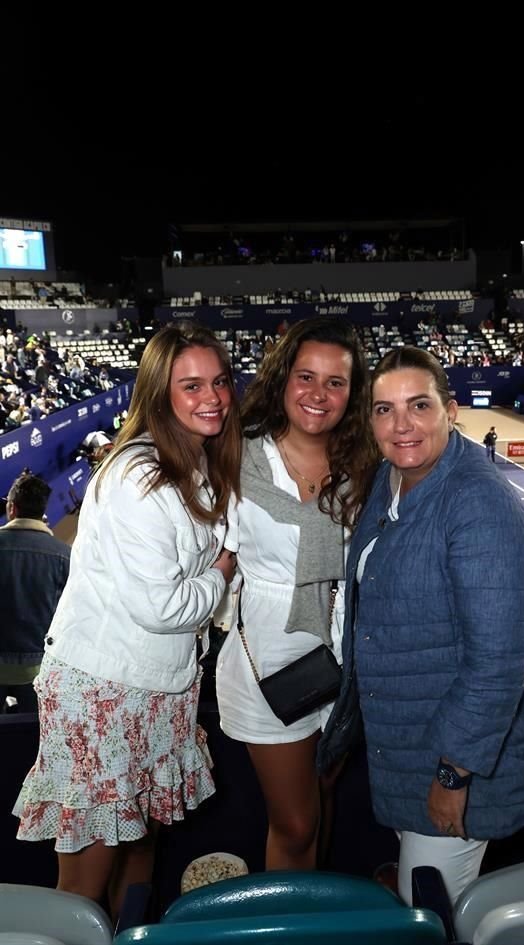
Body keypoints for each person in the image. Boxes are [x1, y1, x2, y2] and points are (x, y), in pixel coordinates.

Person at [318, 346, 524, 906]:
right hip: (410, 742)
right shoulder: (392, 476)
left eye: (419, 405)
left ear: (450, 410)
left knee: (432, 910)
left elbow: (497, 664)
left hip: (461, 765)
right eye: (384, 410)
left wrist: (452, 778)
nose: (401, 424)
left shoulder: (479, 508)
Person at [13, 322, 241, 917]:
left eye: (218, 382)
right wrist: (222, 568)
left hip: (159, 688)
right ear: (158, 393)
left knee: (139, 854)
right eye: (190, 386)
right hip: (103, 691)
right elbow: (164, 608)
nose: (211, 397)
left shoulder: (194, 462)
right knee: (86, 882)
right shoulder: (139, 476)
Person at [216, 317, 377, 871]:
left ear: (353, 394)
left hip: (343, 655)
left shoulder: (366, 464)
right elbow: (212, 553)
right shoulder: (234, 457)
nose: (318, 394)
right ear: (283, 379)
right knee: (295, 820)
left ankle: (314, 915)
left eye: (336, 382)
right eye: (306, 376)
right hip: (270, 655)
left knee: (324, 796)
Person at [0, 472, 71, 712]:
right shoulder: (64, 555)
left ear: (11, 508)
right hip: (40, 668)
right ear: (43, 510)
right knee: (34, 736)